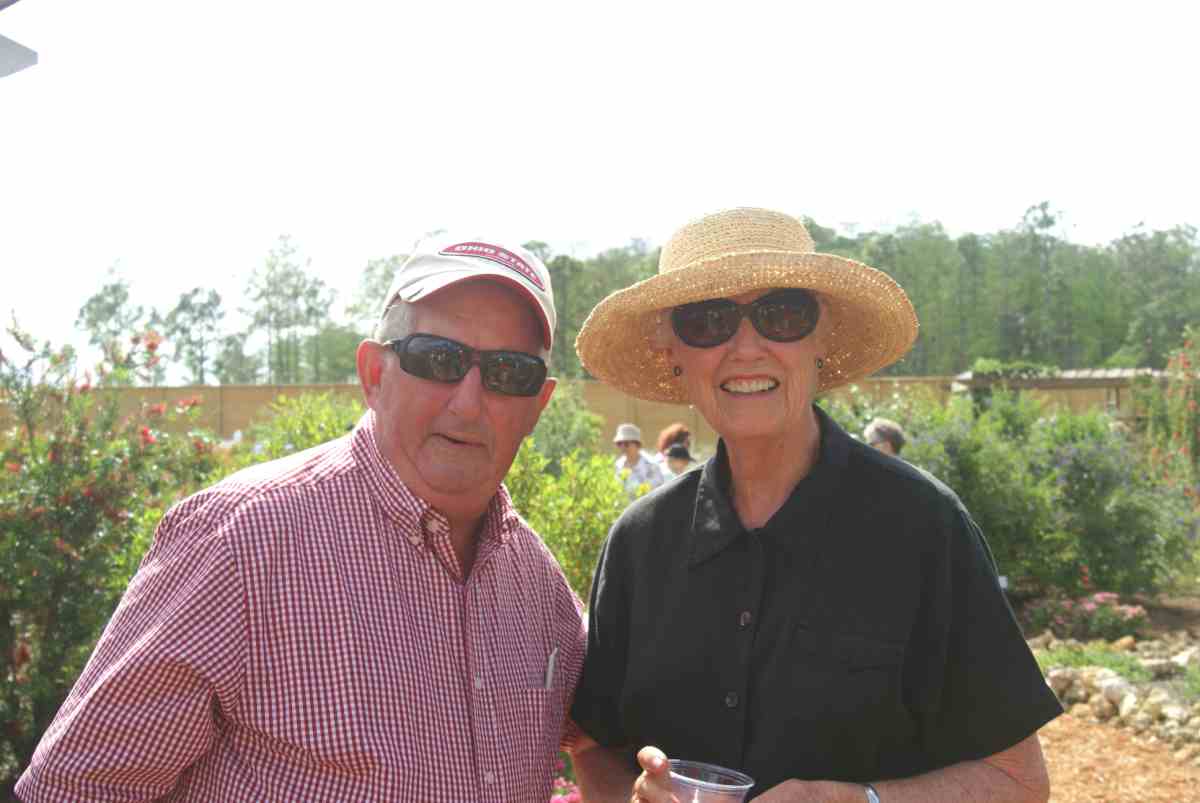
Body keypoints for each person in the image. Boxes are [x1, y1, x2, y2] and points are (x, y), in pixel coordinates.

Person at [16, 236, 587, 802]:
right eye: (438, 359)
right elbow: (77, 790)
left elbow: (606, 734)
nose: (467, 401)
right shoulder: (243, 541)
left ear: (538, 405)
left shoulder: (537, 584)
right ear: (374, 374)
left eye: (509, 373)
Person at [569, 208, 1062, 802]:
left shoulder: (922, 529)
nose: (746, 348)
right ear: (672, 350)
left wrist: (862, 801)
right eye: (707, 321)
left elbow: (1018, 781)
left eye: (782, 314)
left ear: (822, 335)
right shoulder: (639, 545)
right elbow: (596, 748)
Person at [612, 422, 665, 498]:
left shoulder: (651, 464)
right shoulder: (618, 465)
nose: (622, 447)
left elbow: (658, 488)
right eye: (619, 444)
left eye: (626, 444)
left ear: (637, 444)